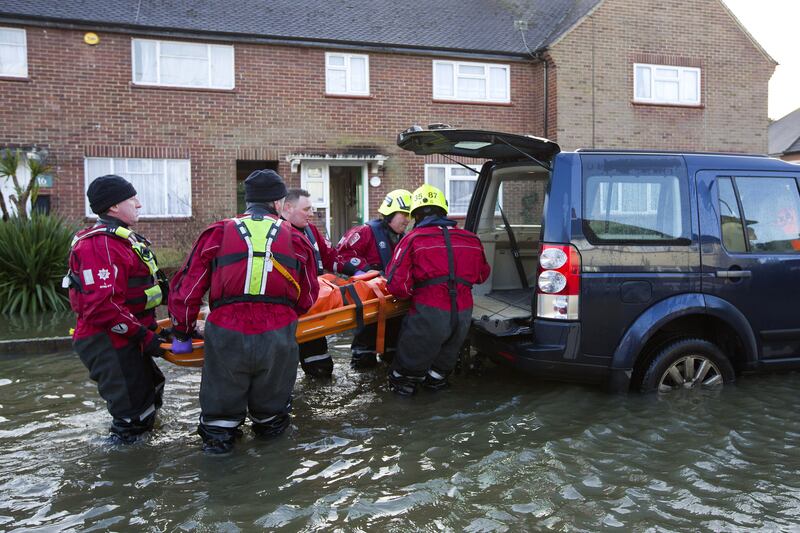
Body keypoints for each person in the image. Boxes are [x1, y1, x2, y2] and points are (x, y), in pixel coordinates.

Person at [168, 170, 319, 453]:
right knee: (272, 421)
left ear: (247, 201)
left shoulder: (217, 232)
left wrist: (182, 330)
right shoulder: (297, 239)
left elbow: (186, 290)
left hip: (226, 333)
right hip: (277, 334)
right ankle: (272, 475)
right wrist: (284, 315)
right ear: (278, 202)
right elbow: (309, 295)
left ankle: (220, 476)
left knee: (219, 424)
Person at [65, 174, 168, 443]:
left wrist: (156, 330)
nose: (139, 204)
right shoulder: (100, 246)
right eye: (132, 199)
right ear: (113, 206)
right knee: (133, 417)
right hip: (108, 342)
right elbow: (103, 307)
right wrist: (147, 338)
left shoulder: (123, 241)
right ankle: (122, 473)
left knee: (150, 398)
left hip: (127, 338)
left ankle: (141, 462)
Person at [385, 184, 490, 396]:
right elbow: (481, 276)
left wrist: (414, 294)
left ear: (416, 215)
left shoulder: (413, 239)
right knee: (439, 376)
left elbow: (397, 285)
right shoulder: (471, 239)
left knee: (404, 380)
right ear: (444, 210)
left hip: (429, 311)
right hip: (463, 313)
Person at [335, 189, 411, 368]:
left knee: (393, 354)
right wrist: (366, 272)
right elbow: (340, 256)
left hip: (394, 303)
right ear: (390, 213)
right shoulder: (365, 232)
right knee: (364, 358)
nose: (407, 219)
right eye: (404, 214)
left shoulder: (405, 239)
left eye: (409, 214)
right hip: (369, 301)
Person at [281, 188, 337, 378]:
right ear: (288, 208)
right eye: (306, 209)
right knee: (280, 373)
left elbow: (330, 257)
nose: (311, 214)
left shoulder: (310, 231)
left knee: (321, 368)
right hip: (285, 312)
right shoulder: (275, 234)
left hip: (312, 307)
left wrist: (360, 270)